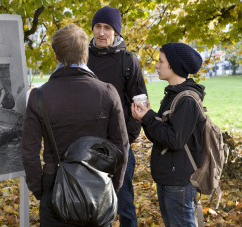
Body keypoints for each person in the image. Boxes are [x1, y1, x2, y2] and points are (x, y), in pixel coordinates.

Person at [21, 24, 129, 226]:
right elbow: (121, 147)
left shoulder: (39, 96)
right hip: (99, 185)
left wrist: (40, 189)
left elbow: (29, 151)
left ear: (55, 55)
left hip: (54, 185)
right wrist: (113, 186)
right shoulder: (107, 92)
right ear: (85, 53)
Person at [131, 43, 205, 226]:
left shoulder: (186, 99)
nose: (156, 65)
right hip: (168, 178)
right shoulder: (173, 94)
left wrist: (149, 117)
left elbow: (175, 139)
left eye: (160, 61)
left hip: (178, 182)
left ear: (173, 65)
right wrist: (146, 118)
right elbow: (161, 136)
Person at [87, 6, 148, 227]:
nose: (101, 33)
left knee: (125, 206)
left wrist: (126, 139)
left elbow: (140, 103)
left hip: (120, 148)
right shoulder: (82, 58)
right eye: (98, 27)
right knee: (91, 207)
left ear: (116, 32)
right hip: (87, 147)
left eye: (107, 28)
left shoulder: (129, 62)